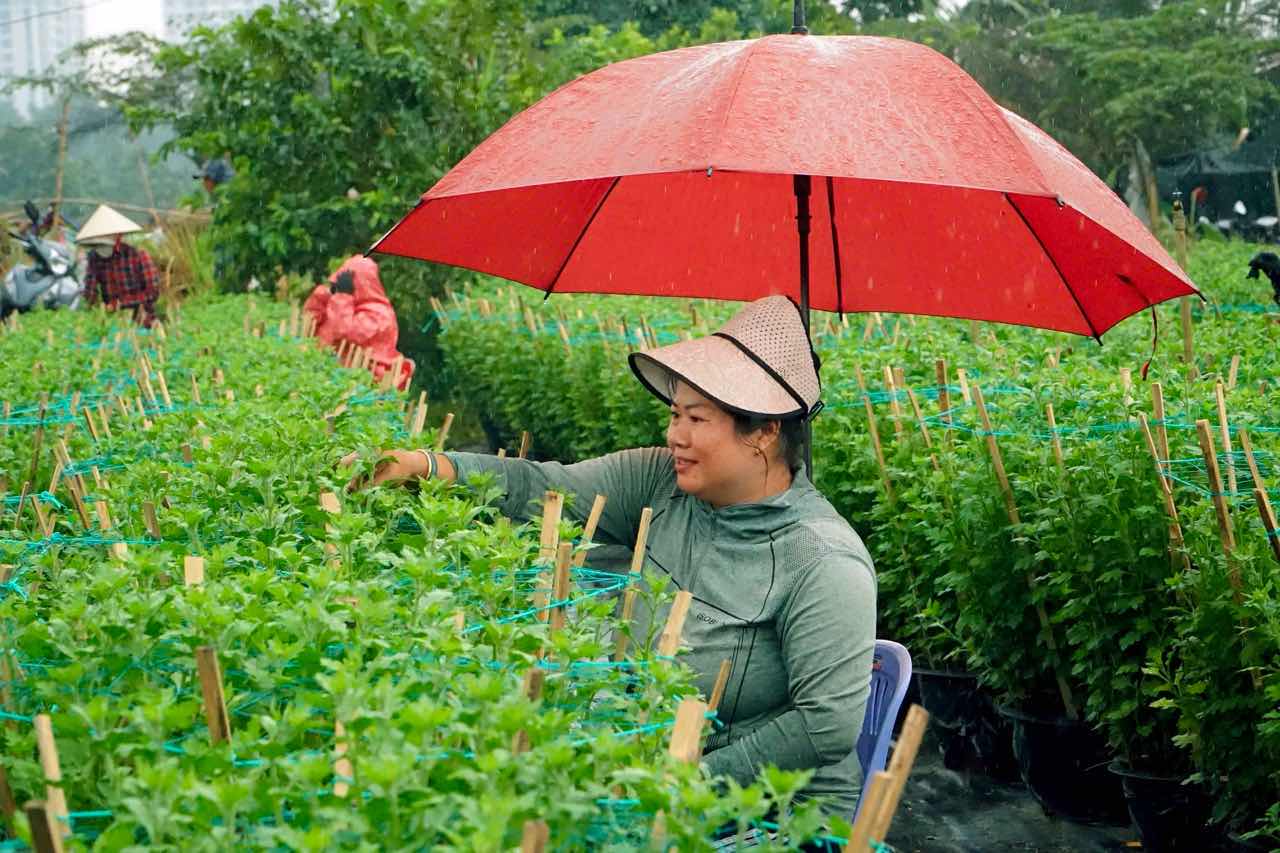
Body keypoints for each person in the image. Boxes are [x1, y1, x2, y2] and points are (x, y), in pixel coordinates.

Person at [346, 295, 876, 818]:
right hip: (649, 773)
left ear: (764, 430)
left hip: (769, 812)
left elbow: (822, 725)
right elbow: (546, 486)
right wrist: (427, 465)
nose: (676, 436)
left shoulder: (824, 559)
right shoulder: (659, 482)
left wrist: (675, 783)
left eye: (697, 419)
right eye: (674, 414)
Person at [304, 255, 414, 390]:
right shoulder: (344, 305)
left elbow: (343, 331)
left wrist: (343, 297)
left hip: (363, 386)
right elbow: (310, 319)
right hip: (331, 380)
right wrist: (324, 295)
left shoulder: (379, 313)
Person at [76, 205, 160, 327]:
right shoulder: (94, 259)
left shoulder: (138, 256)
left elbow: (152, 293)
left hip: (142, 320)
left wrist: (119, 303)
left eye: (104, 242)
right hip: (111, 322)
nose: (100, 247)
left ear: (118, 237)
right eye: (96, 244)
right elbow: (90, 295)